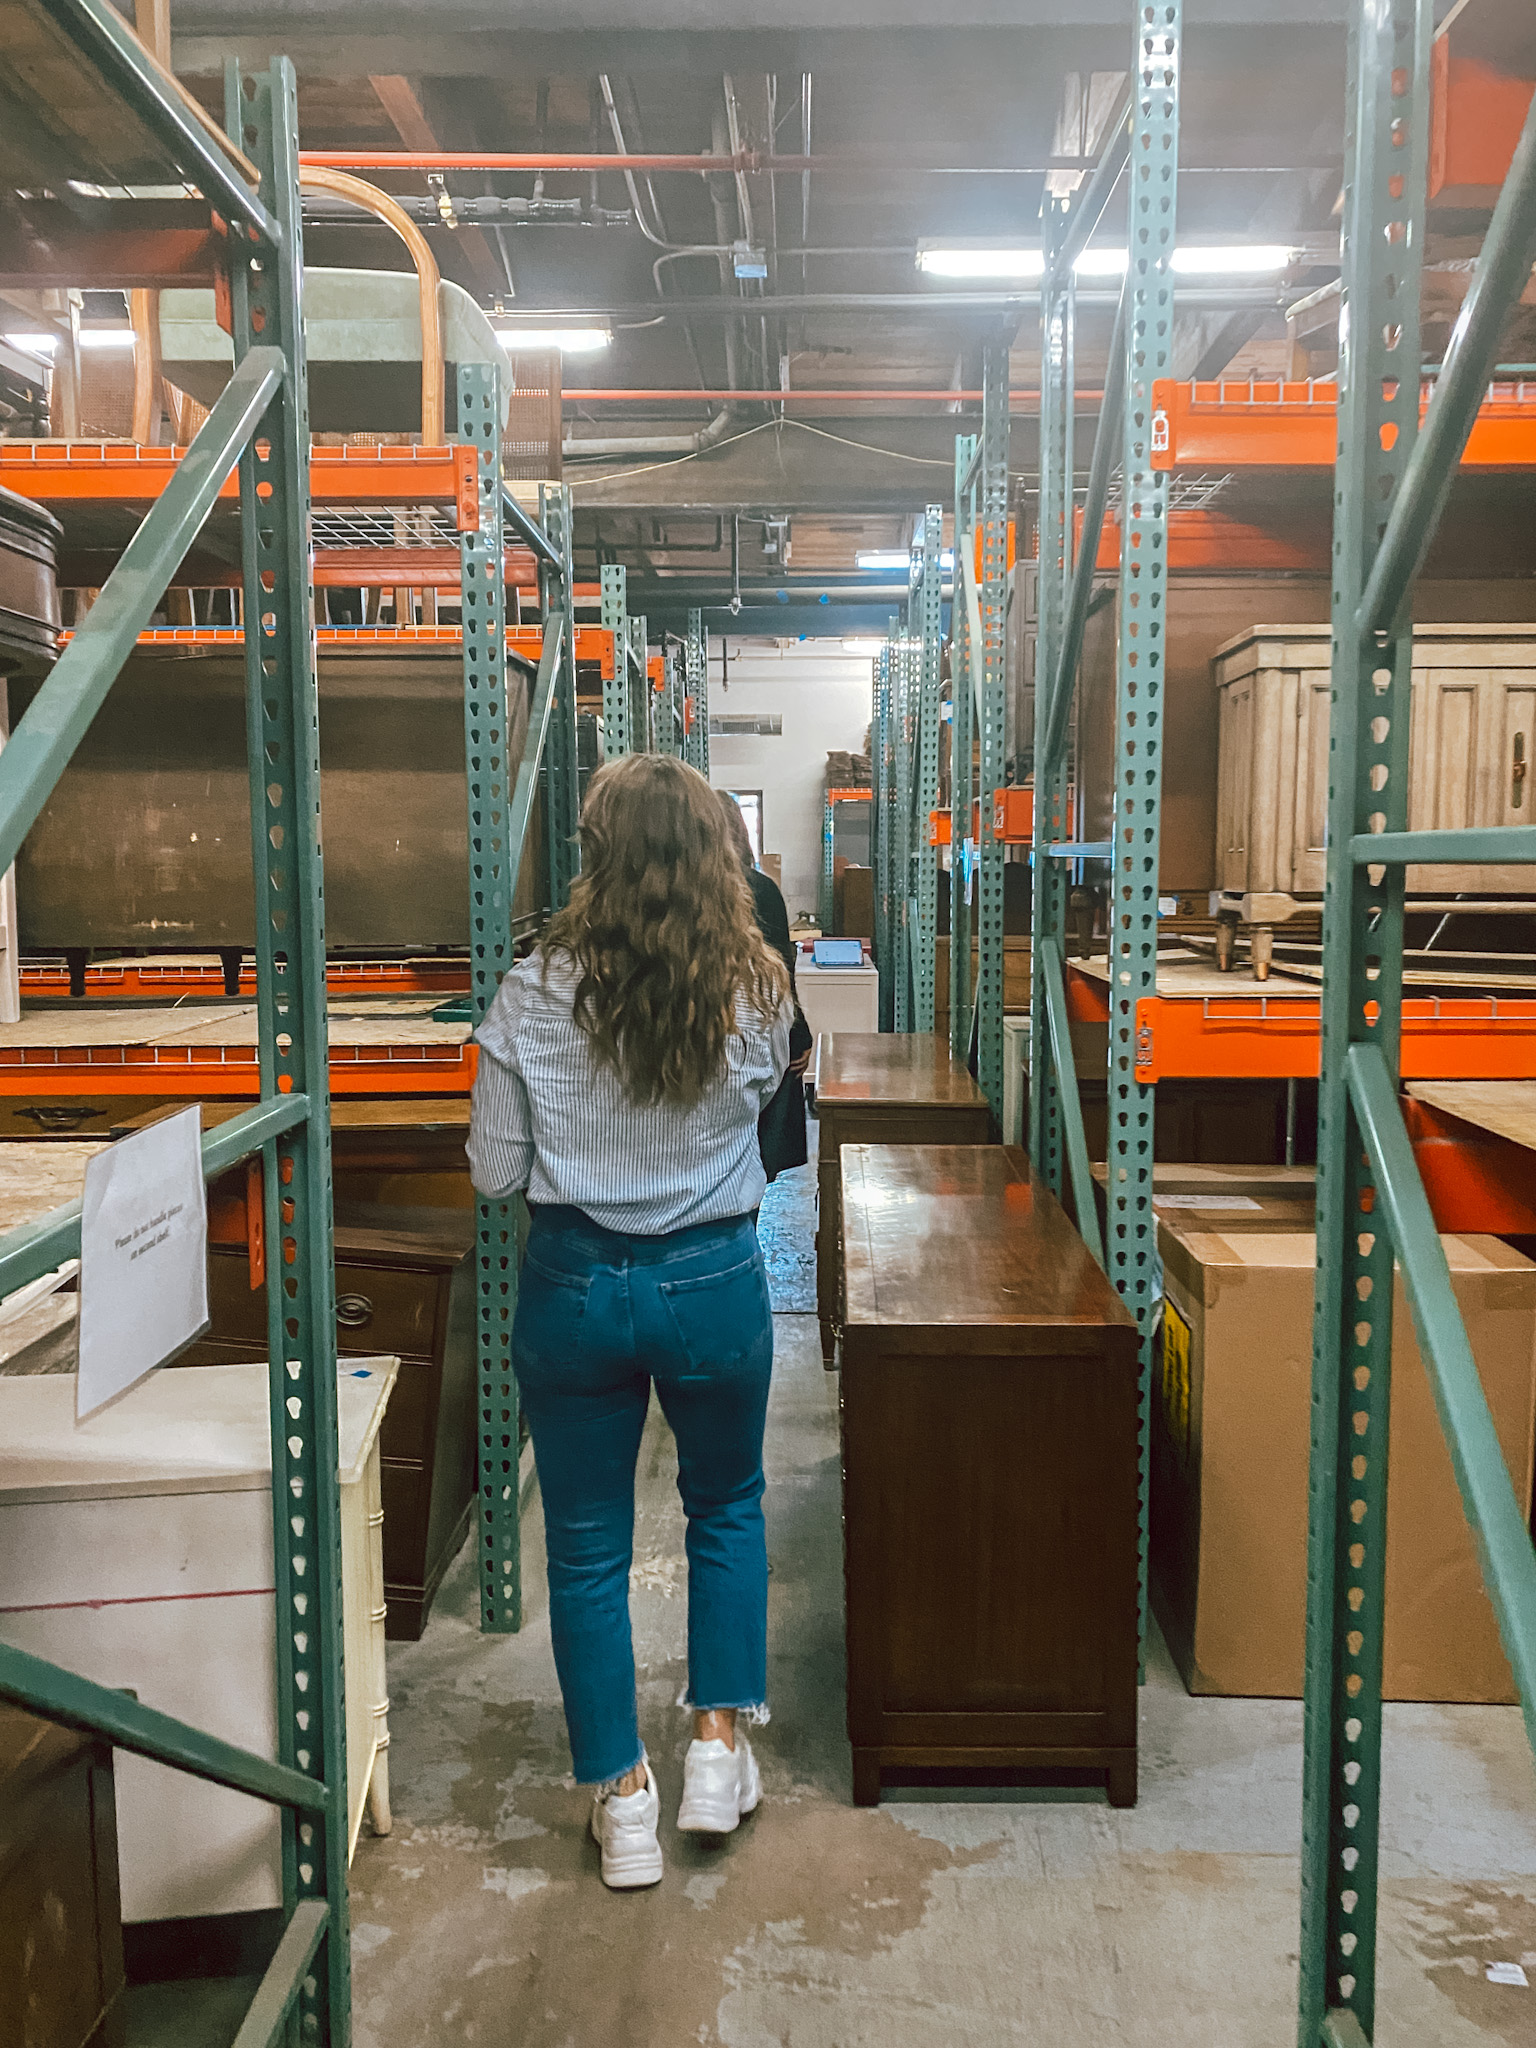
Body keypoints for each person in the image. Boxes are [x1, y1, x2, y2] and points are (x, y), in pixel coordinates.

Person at [467, 754, 793, 1891]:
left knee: (589, 1548)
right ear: (719, 853)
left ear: (595, 854)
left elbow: (499, 1171)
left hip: (575, 1287)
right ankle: (716, 1747)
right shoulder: (758, 990)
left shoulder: (525, 992)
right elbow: (757, 1121)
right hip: (712, 1279)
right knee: (727, 1505)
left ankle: (622, 1799)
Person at [716, 791, 814, 1180]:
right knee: (755, 1152)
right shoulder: (761, 888)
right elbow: (781, 974)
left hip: (711, 1037)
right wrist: (798, 1034)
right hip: (759, 1034)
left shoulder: (682, 894)